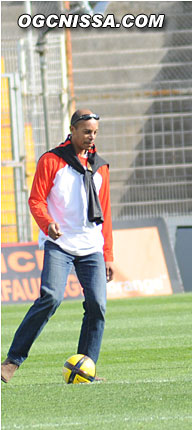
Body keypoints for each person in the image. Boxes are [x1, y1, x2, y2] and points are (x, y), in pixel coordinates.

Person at [1, 109, 114, 383]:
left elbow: (106, 214)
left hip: (91, 246)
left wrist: (108, 254)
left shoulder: (101, 166)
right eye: (87, 131)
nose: (91, 137)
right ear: (73, 130)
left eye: (95, 132)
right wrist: (47, 223)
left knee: (97, 304)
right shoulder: (52, 160)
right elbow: (36, 200)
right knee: (51, 297)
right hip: (59, 244)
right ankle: (11, 362)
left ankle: (86, 367)